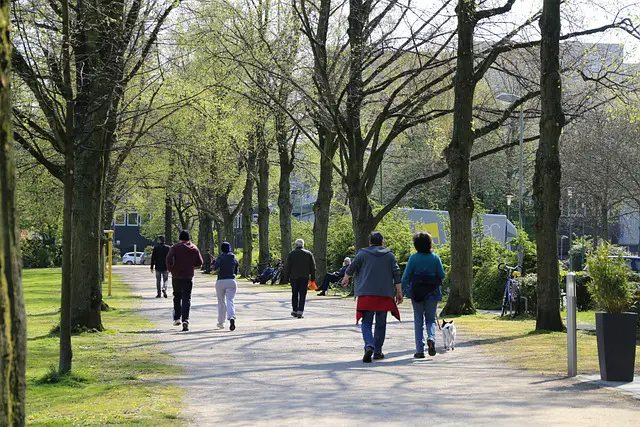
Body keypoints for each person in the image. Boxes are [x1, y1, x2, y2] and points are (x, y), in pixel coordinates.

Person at [342, 232, 402, 363]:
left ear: (370, 242)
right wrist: (399, 291)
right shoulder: (389, 255)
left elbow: (351, 268)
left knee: (367, 322)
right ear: (382, 242)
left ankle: (369, 344)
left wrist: (346, 277)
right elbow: (396, 273)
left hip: (366, 293)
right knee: (381, 323)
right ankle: (378, 351)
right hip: (384, 293)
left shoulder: (362, 254)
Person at [401, 232, 445, 358]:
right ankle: (431, 338)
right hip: (432, 292)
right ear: (429, 243)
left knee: (418, 320)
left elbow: (406, 277)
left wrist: (400, 292)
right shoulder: (435, 258)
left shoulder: (413, 258)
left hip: (417, 292)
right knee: (430, 319)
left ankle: (420, 350)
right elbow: (442, 275)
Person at [166, 230, 203, 331]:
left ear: (180, 238)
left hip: (176, 275)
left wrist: (170, 268)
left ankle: (177, 317)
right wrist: (192, 265)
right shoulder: (194, 248)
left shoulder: (175, 247)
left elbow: (168, 258)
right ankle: (185, 320)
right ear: (189, 238)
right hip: (188, 276)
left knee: (177, 296)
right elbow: (200, 262)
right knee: (187, 298)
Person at [282, 239, 316, 318]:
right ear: (303, 245)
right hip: (304, 277)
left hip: (294, 277)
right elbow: (313, 267)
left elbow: (287, 267)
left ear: (296, 245)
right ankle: (300, 311)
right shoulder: (309, 254)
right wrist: (313, 278)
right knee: (302, 294)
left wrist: (286, 278)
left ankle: (294, 310)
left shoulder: (291, 254)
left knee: (294, 294)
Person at [213, 242, 239, 331]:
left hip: (220, 281)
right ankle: (231, 317)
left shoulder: (220, 257)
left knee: (221, 302)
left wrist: (213, 268)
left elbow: (215, 268)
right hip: (231, 281)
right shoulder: (233, 257)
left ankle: (221, 322)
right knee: (230, 300)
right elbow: (236, 271)